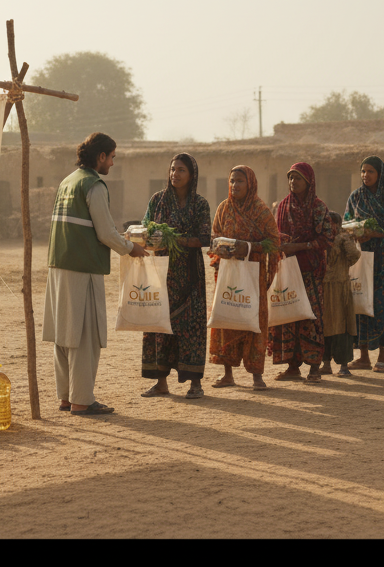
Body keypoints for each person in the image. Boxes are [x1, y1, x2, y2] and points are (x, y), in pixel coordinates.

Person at [42, 132, 147, 415]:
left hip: (58, 267)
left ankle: (66, 397)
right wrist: (131, 248)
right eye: (112, 157)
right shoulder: (94, 185)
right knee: (84, 335)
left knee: (64, 334)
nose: (112, 163)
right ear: (101, 156)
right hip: (83, 268)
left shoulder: (68, 181)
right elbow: (105, 232)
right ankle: (82, 400)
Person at [140, 154, 212, 399]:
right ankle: (161, 383)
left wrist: (173, 239)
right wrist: (150, 237)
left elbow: (204, 238)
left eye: (181, 170)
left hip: (190, 276)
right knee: (160, 326)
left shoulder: (200, 204)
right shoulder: (157, 200)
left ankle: (195, 384)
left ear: (192, 175)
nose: (175, 174)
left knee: (191, 328)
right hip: (161, 274)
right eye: (172, 169)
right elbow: (145, 227)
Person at [209, 165, 280, 390]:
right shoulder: (223, 208)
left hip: (252, 275)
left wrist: (247, 248)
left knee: (254, 321)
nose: (235, 186)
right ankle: (227, 373)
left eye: (240, 181)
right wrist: (220, 249)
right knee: (226, 317)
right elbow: (213, 237)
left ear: (250, 183)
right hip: (228, 274)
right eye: (232, 181)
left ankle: (256, 374)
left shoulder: (260, 210)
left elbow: (273, 242)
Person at [268, 162, 330, 381]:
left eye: (298, 178)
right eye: (291, 178)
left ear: (309, 181)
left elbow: (326, 238)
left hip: (311, 271)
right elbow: (277, 234)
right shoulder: (283, 206)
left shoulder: (318, 207)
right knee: (288, 314)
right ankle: (292, 367)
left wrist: (301, 247)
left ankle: (314, 366)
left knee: (311, 316)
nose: (293, 182)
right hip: (288, 268)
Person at [343, 156, 384, 371]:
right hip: (361, 261)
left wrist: (375, 233)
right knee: (360, 305)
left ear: (380, 174)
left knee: (382, 307)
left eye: (370, 172)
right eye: (363, 171)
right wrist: (355, 234)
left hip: (383, 263)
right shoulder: (355, 197)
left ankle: (383, 356)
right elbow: (347, 222)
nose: (365, 175)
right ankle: (363, 356)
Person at [322, 211, 361, 376]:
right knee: (325, 327)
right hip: (324, 289)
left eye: (333, 223)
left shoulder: (342, 238)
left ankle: (343, 366)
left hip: (340, 288)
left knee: (342, 326)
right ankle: (326, 364)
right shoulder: (322, 240)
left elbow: (355, 254)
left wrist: (343, 265)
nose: (331, 226)